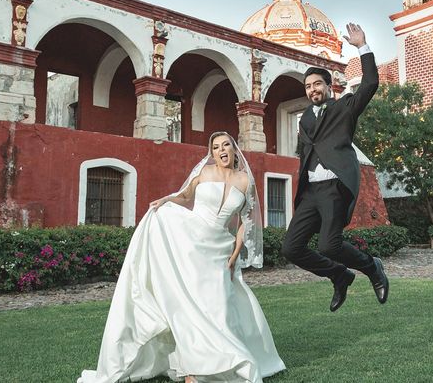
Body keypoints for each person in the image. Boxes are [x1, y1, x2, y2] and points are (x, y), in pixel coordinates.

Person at [78, 132, 285, 383]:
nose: (221, 150)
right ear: (211, 152)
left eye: (225, 145)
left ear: (234, 149)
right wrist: (167, 200)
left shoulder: (244, 181)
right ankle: (191, 370)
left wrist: (235, 254)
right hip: (190, 238)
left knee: (217, 307)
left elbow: (246, 221)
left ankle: (221, 361)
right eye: (215, 146)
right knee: (186, 305)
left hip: (220, 247)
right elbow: (185, 196)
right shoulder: (205, 173)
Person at [281, 22, 389, 312]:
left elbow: (370, 84)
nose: (312, 89)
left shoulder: (345, 108)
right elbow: (305, 151)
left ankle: (372, 268)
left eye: (317, 84)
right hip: (311, 191)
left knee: (329, 246)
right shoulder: (304, 119)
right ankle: (340, 275)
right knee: (291, 248)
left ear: (328, 87)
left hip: (333, 188)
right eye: (308, 86)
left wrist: (362, 47)